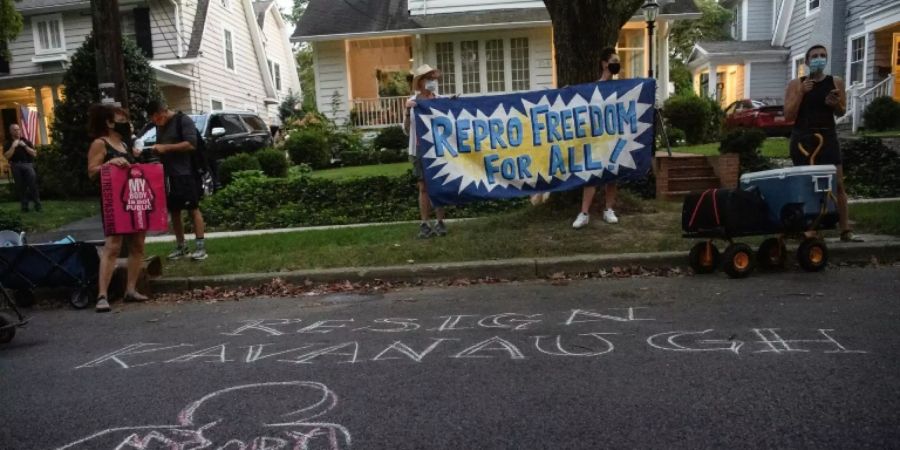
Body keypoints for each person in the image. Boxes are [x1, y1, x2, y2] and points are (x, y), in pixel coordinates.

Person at [784, 44, 861, 242]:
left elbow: (842, 111)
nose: (819, 58)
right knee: (808, 185)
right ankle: (810, 227)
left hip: (827, 137)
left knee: (838, 184)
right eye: (815, 56)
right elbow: (788, 115)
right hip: (803, 139)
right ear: (808, 62)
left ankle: (845, 229)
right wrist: (801, 92)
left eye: (822, 55)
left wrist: (835, 104)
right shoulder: (796, 84)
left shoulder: (835, 82)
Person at [86, 104, 148, 313]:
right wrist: (110, 163)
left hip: (133, 198)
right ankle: (102, 294)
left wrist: (135, 158)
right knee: (113, 244)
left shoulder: (123, 143)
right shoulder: (100, 143)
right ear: (108, 122)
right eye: (120, 119)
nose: (125, 123)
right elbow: (91, 172)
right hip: (113, 201)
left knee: (138, 243)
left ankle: (130, 289)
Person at [146, 100, 209, 260]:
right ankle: (181, 246)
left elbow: (191, 144)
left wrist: (166, 148)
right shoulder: (160, 126)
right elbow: (161, 147)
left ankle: (200, 247)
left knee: (192, 208)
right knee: (174, 211)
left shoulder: (183, 120)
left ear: (163, 112)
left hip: (185, 173)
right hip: (168, 174)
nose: (155, 122)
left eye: (156, 118)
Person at [572, 47, 621, 229]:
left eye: (618, 62)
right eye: (613, 61)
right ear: (604, 64)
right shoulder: (594, 88)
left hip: (614, 137)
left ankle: (609, 210)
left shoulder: (622, 88)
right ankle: (584, 213)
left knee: (611, 176)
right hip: (596, 139)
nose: (617, 65)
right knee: (591, 175)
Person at [403, 64, 448, 239]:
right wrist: (408, 111)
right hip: (420, 149)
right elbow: (407, 130)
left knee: (439, 184)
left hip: (438, 148)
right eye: (428, 78)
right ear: (420, 82)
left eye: (433, 78)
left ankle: (440, 221)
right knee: (423, 187)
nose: (432, 82)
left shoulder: (440, 100)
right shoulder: (412, 102)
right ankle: (424, 223)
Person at [3, 124, 42, 212]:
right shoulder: (8, 143)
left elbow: (34, 153)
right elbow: (7, 156)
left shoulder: (26, 141)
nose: (17, 131)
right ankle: (25, 207)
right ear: (11, 132)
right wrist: (13, 146)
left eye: (18, 129)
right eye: (14, 130)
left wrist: (24, 146)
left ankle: (37, 204)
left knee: (33, 185)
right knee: (21, 187)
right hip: (15, 165)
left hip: (27, 165)